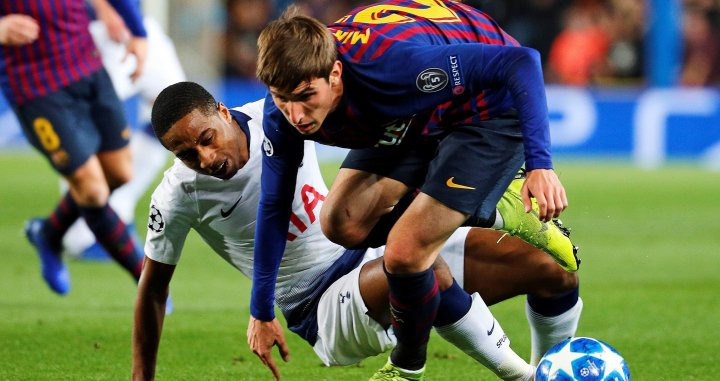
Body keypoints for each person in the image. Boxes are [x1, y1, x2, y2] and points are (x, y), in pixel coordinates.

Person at [132, 82, 583, 381]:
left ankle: (551, 368)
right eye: (186, 153)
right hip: (319, 305)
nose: (204, 159)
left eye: (205, 139)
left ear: (224, 113)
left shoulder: (281, 116)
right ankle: (524, 378)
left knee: (552, 269)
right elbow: (152, 290)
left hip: (370, 248)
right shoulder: (176, 196)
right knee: (418, 267)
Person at [254, 2, 581, 380]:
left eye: (306, 96)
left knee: (406, 253)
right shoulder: (284, 111)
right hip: (415, 114)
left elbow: (520, 62)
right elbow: (275, 203)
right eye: (283, 99)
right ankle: (480, 209)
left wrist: (542, 165)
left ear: (335, 73)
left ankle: (406, 368)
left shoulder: (394, 68)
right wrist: (260, 310)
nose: (295, 115)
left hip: (487, 107)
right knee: (340, 223)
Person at [0, 0, 147, 294]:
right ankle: (148, 282)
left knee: (120, 173)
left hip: (87, 67)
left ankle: (49, 234)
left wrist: (138, 32)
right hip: (35, 86)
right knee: (92, 189)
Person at [61, 0, 185, 260]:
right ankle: (79, 233)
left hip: (138, 23)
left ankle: (118, 210)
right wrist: (104, 8)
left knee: (179, 112)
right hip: (97, 27)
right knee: (88, 128)